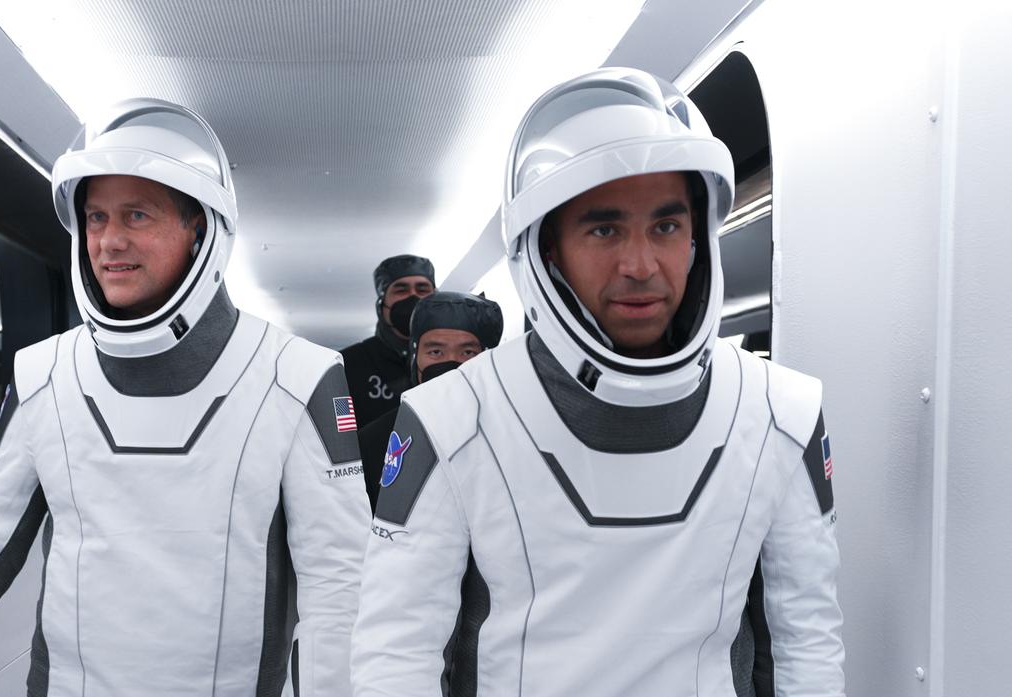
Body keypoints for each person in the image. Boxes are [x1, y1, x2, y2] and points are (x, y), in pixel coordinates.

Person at [0, 99, 369, 697]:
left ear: (199, 226)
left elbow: (340, 584)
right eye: (95, 218)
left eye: (138, 216)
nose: (109, 242)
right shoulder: (44, 373)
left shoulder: (299, 376)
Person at [351, 68, 844, 696]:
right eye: (604, 229)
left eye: (666, 227)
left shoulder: (784, 413)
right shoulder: (449, 420)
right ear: (547, 248)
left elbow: (806, 644)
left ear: (698, 238)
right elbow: (396, 654)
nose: (640, 265)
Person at [358, 291, 502, 507]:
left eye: (468, 352)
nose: (450, 363)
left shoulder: (513, 437)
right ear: (415, 356)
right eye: (435, 351)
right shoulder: (374, 441)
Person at [340, 255, 435, 428]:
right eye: (401, 290)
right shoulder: (347, 365)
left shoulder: (455, 363)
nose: (413, 297)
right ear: (382, 303)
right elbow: (336, 430)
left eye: (422, 290)